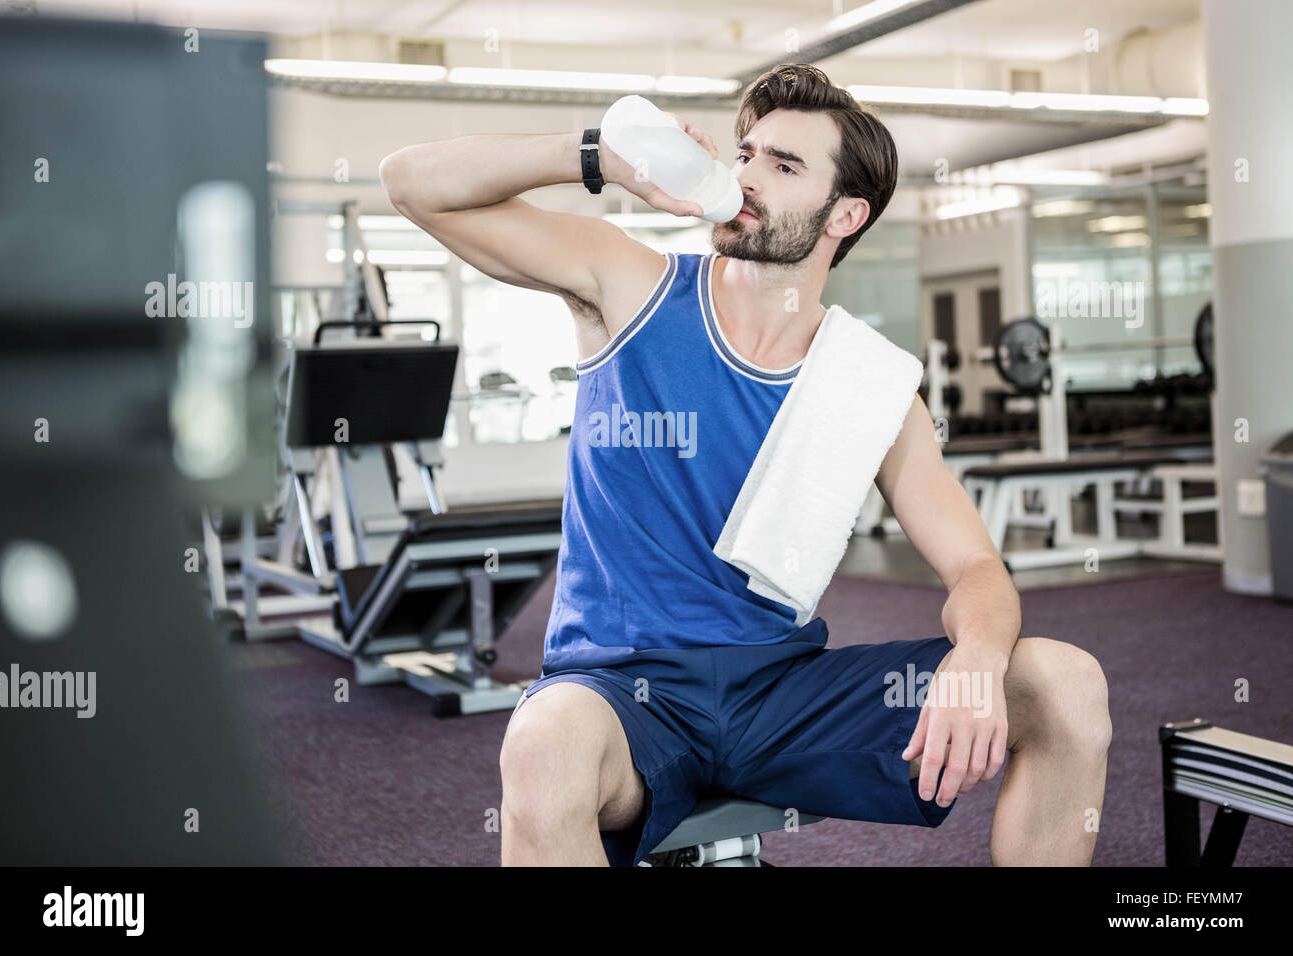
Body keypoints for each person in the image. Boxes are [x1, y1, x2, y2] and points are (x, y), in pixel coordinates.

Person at [379, 63, 1112, 867]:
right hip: (623, 694)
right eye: (747, 153)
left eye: (784, 165)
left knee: (1063, 684)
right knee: (540, 746)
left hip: (781, 696)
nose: (748, 175)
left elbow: (977, 565)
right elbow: (411, 183)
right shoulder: (627, 284)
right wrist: (599, 156)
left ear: (847, 214)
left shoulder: (868, 385)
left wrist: (976, 656)